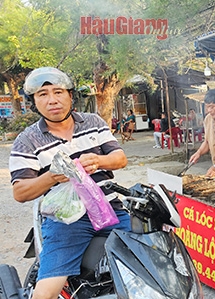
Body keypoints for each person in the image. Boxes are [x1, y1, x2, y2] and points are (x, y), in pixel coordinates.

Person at [8, 67, 130, 299]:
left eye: (58, 92)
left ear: (70, 96)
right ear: (33, 102)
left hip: (110, 209)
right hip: (67, 221)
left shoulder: (93, 122)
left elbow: (120, 159)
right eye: (43, 94)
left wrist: (99, 160)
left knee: (153, 262)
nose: (52, 100)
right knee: (46, 294)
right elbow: (20, 192)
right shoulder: (27, 140)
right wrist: (52, 176)